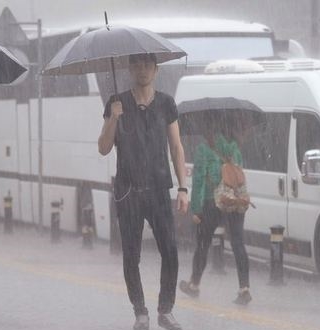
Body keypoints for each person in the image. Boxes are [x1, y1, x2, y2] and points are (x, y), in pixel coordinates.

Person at [98, 53, 188, 330]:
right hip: (128, 192)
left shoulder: (166, 103)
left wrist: (183, 187)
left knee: (170, 251)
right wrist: (113, 118)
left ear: (156, 70)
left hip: (159, 188)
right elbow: (103, 147)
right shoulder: (117, 102)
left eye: (148, 65)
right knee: (131, 255)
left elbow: (176, 147)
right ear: (129, 68)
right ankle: (140, 311)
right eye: (137, 65)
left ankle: (165, 309)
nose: (143, 70)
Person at [179, 122, 252, 305]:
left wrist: (196, 209)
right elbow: (238, 175)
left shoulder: (204, 149)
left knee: (203, 244)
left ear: (209, 131)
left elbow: (198, 181)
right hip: (234, 201)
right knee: (238, 244)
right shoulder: (235, 149)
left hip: (212, 202)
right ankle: (244, 289)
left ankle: (194, 285)